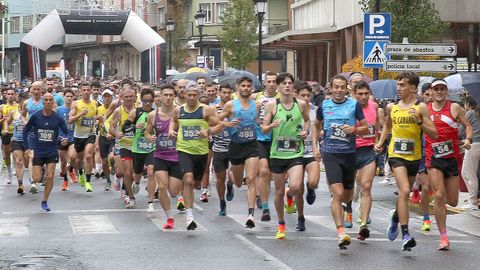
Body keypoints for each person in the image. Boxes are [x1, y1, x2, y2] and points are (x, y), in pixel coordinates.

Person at [375, 71, 438, 251]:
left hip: (414, 157)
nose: (399, 88)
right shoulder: (391, 107)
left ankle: (395, 218)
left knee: (406, 193)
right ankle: (406, 234)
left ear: (413, 88)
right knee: (403, 191)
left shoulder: (421, 108)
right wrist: (380, 143)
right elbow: (388, 125)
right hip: (396, 154)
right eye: (398, 85)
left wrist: (419, 122)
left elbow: (434, 133)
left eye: (402, 85)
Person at [312, 74, 369, 249]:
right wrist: (315, 146)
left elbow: (366, 128)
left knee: (347, 195)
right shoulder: (324, 105)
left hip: (349, 154)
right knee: (337, 194)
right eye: (335, 87)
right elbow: (316, 125)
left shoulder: (354, 105)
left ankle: (346, 207)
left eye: (342, 87)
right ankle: (341, 232)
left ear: (347, 89)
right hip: (331, 154)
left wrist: (354, 129)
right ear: (330, 88)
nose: (338, 90)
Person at [169, 81, 227, 230]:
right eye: (189, 95)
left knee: (195, 184)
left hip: (201, 152)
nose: (192, 98)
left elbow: (219, 126)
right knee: (187, 179)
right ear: (184, 94)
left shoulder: (206, 110)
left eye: (195, 95)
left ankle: (186, 193)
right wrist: (171, 130)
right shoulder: (178, 110)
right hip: (183, 149)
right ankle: (189, 216)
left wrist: (208, 132)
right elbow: (173, 121)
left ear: (199, 95)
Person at [425, 78, 472, 250]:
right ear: (431, 91)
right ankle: (443, 236)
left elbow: (468, 126)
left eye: (442, 89)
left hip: (452, 158)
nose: (439, 92)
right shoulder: (425, 109)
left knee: (452, 201)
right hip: (433, 158)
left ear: (446, 91)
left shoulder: (454, 108)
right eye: (436, 89)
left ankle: (441, 211)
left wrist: (468, 139)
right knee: (438, 195)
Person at [262, 73, 310, 239]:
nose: (287, 86)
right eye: (284, 84)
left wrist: (306, 131)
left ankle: (291, 196)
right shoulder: (272, 105)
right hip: (277, 154)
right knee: (279, 192)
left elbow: (307, 121)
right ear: (279, 86)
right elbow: (263, 129)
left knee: (296, 186)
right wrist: (271, 125)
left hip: (296, 152)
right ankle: (281, 224)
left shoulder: (301, 104)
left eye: (290, 83)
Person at [217, 77, 259, 228]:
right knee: (239, 183)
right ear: (238, 87)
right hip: (235, 146)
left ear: (252, 88)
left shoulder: (257, 104)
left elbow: (259, 123)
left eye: (248, 86)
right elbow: (215, 121)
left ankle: (251, 214)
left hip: (252, 145)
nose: (246, 88)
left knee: (251, 179)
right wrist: (227, 123)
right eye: (243, 86)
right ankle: (231, 179)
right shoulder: (230, 105)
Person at [145, 85, 184, 228]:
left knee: (173, 191)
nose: (168, 98)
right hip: (160, 155)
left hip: (177, 156)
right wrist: (149, 137)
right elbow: (147, 132)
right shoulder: (153, 115)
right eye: (165, 95)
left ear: (174, 97)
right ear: (160, 97)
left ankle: (180, 195)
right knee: (162, 187)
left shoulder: (180, 113)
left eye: (170, 95)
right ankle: (170, 218)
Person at [22, 93, 69, 211]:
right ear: (43, 102)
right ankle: (40, 172)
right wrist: (27, 147)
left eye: (50, 100)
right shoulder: (36, 116)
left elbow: (66, 131)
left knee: (51, 176)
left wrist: (65, 139)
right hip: (39, 150)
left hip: (51, 151)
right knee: (37, 178)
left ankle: (45, 201)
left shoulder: (57, 118)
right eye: (46, 100)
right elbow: (25, 130)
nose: (48, 102)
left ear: (53, 102)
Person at [352, 81, 379, 240]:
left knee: (366, 187)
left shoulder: (374, 106)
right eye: (360, 94)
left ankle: (363, 225)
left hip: (368, 150)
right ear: (354, 94)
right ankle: (350, 208)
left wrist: (378, 141)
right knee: (347, 190)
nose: (363, 97)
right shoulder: (349, 107)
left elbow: (376, 125)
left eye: (366, 94)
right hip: (350, 150)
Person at [251, 71, 279, 221]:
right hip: (260, 138)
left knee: (276, 175)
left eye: (274, 81)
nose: (272, 84)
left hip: (277, 139)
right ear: (264, 83)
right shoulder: (256, 97)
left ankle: (264, 193)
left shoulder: (281, 98)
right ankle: (265, 205)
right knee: (263, 171)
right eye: (269, 81)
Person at [294, 81, 320, 231]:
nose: (306, 98)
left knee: (313, 182)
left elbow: (319, 128)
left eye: (308, 95)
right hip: (295, 152)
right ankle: (301, 218)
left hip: (311, 150)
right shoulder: (290, 110)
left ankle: (311, 189)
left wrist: (318, 140)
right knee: (298, 189)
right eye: (302, 95)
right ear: (296, 95)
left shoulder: (316, 110)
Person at [109, 86, 137, 208]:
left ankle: (128, 190)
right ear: (121, 98)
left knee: (133, 174)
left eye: (131, 96)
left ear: (135, 97)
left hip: (137, 146)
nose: (129, 99)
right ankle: (128, 195)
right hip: (122, 145)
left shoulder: (139, 110)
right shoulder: (118, 111)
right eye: (127, 97)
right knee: (125, 172)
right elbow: (111, 127)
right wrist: (116, 133)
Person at [129, 88, 156, 209]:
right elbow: (125, 128)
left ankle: (150, 202)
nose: (148, 104)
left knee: (151, 172)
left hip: (152, 148)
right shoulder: (136, 112)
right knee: (137, 173)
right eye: (145, 101)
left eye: (150, 101)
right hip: (137, 148)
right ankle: (138, 182)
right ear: (141, 101)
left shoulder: (155, 113)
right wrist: (134, 126)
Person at [69, 82, 98, 192]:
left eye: (88, 90)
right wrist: (81, 114)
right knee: (79, 158)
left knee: (88, 156)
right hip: (78, 136)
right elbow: (70, 120)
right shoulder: (76, 104)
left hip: (90, 134)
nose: (86, 92)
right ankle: (80, 173)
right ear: (80, 92)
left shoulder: (95, 103)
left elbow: (94, 116)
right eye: (84, 90)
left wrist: (98, 118)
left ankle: (88, 182)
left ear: (91, 91)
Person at [211, 84, 234, 215]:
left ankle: (230, 185)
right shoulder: (214, 108)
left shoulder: (236, 107)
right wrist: (222, 123)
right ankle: (222, 202)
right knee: (220, 177)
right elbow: (211, 123)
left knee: (233, 176)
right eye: (224, 92)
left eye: (228, 92)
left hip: (234, 145)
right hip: (219, 146)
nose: (226, 95)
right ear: (219, 93)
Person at [461, 96, 480, 211]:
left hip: (474, 145)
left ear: (468, 104)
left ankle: (472, 201)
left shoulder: (471, 113)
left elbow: (460, 130)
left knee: (467, 173)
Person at [3, 105, 27, 194]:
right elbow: (7, 122)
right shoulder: (13, 113)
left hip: (29, 141)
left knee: (28, 163)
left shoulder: (32, 113)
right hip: (17, 140)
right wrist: (5, 129)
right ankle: (20, 185)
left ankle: (33, 180)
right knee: (18, 161)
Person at [57, 89, 77, 191]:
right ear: (64, 97)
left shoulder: (76, 109)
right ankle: (65, 180)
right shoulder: (59, 110)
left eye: (71, 96)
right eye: (67, 96)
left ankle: (71, 169)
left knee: (73, 156)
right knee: (63, 162)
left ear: (74, 97)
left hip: (72, 138)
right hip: (61, 139)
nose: (69, 98)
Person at [96, 89, 116, 190]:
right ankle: (108, 180)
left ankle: (113, 164)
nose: (107, 98)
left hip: (113, 138)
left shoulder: (116, 110)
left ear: (112, 98)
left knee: (112, 157)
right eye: (105, 96)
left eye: (109, 97)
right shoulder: (99, 109)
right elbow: (95, 122)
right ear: (102, 98)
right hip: (103, 137)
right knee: (104, 161)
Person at [0, 88, 19, 184]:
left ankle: (16, 167)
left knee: (15, 151)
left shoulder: (19, 106)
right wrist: (3, 119)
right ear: (5, 95)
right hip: (5, 132)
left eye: (12, 94)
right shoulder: (2, 107)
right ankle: (8, 172)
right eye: (8, 94)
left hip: (16, 132)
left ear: (15, 95)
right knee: (7, 154)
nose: (10, 96)